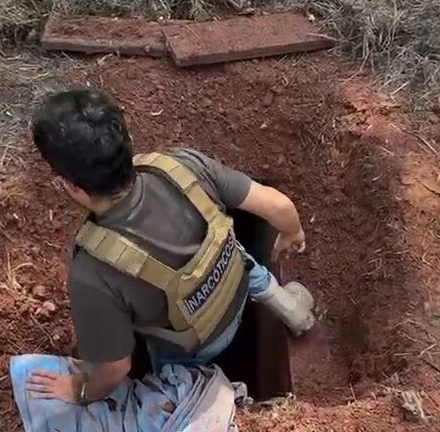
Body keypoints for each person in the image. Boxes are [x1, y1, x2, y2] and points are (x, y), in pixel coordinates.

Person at [24, 87, 315, 404]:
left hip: (198, 347)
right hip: (241, 285)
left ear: (73, 186)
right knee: (240, 257)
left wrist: (79, 390)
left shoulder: (93, 271)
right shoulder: (184, 167)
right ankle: (293, 311)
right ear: (126, 141)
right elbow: (279, 207)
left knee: (169, 373)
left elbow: (115, 368)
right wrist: (292, 234)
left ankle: (219, 400)